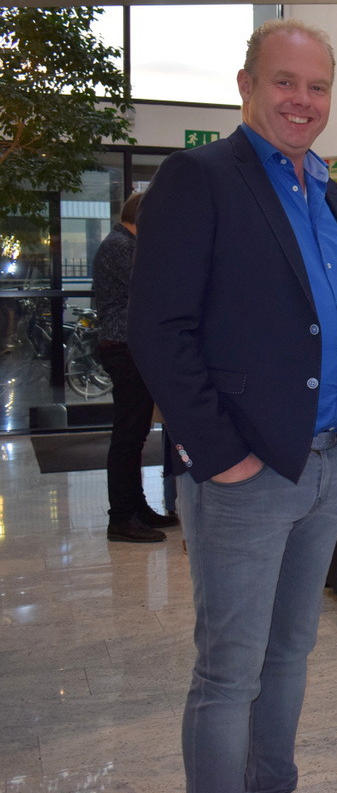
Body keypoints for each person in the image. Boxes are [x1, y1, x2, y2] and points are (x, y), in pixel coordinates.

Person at [127, 18, 337, 793]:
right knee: (229, 673)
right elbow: (158, 330)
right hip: (247, 471)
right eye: (285, 82)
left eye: (317, 87)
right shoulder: (199, 177)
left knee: (291, 652)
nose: (302, 100)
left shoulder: (334, 197)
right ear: (246, 86)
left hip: (332, 464)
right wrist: (223, 457)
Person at [93, 189, 179, 543]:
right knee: (128, 436)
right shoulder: (120, 246)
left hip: (130, 347)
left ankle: (137, 508)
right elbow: (154, 288)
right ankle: (121, 518)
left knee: (136, 434)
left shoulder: (125, 243)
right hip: (123, 347)